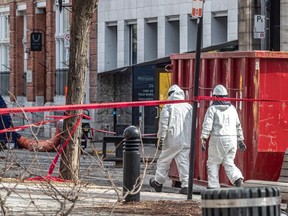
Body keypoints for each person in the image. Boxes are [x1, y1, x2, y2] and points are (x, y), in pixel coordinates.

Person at [201, 84, 247, 189]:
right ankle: (237, 178)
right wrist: (240, 140)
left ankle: (213, 186)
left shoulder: (212, 109)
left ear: (214, 96)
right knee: (228, 161)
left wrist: (203, 138)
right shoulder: (232, 109)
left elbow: (207, 125)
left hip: (217, 138)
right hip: (232, 139)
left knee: (213, 162)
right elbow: (238, 125)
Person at [150, 84, 193, 195]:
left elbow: (164, 124)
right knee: (183, 162)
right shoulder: (189, 107)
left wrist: (160, 139)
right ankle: (186, 185)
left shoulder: (169, 106)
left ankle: (158, 182)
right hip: (186, 139)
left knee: (163, 161)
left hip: (171, 139)